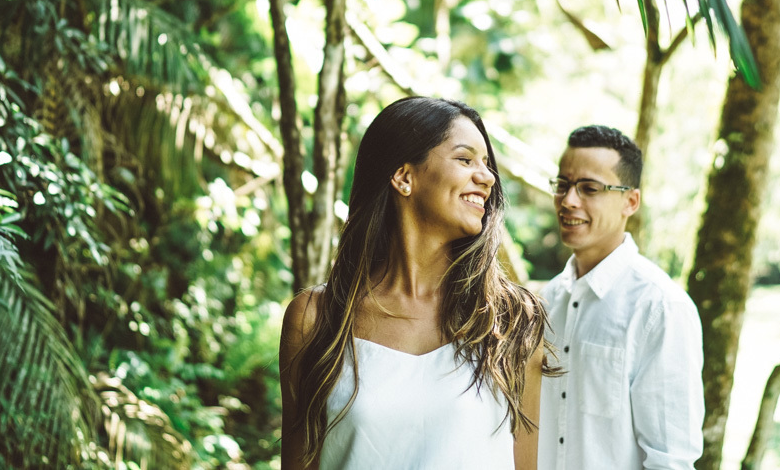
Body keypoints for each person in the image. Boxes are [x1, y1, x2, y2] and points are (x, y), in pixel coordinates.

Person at [280, 96, 550, 470]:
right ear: (404, 177)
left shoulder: (513, 322)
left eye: (486, 164)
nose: (487, 177)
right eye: (465, 159)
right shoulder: (315, 318)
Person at [538, 125, 704, 470]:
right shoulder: (544, 302)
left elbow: (670, 459)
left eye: (589, 188)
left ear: (631, 201)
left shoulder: (660, 308)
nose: (568, 200)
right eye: (563, 185)